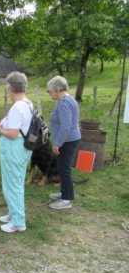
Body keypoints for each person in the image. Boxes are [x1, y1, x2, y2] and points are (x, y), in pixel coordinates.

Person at [0, 72, 33, 233]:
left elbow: (13, 133)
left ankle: (18, 222)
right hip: (20, 149)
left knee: (13, 185)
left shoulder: (18, 106)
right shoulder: (27, 103)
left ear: (10, 89)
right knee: (13, 182)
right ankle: (13, 213)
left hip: (15, 149)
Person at [46, 76, 81, 209]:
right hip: (70, 139)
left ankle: (66, 200)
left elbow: (66, 126)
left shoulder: (64, 103)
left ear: (56, 89)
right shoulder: (68, 100)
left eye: (49, 91)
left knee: (64, 169)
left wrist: (57, 144)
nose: (49, 93)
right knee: (62, 168)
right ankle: (64, 193)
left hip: (67, 141)